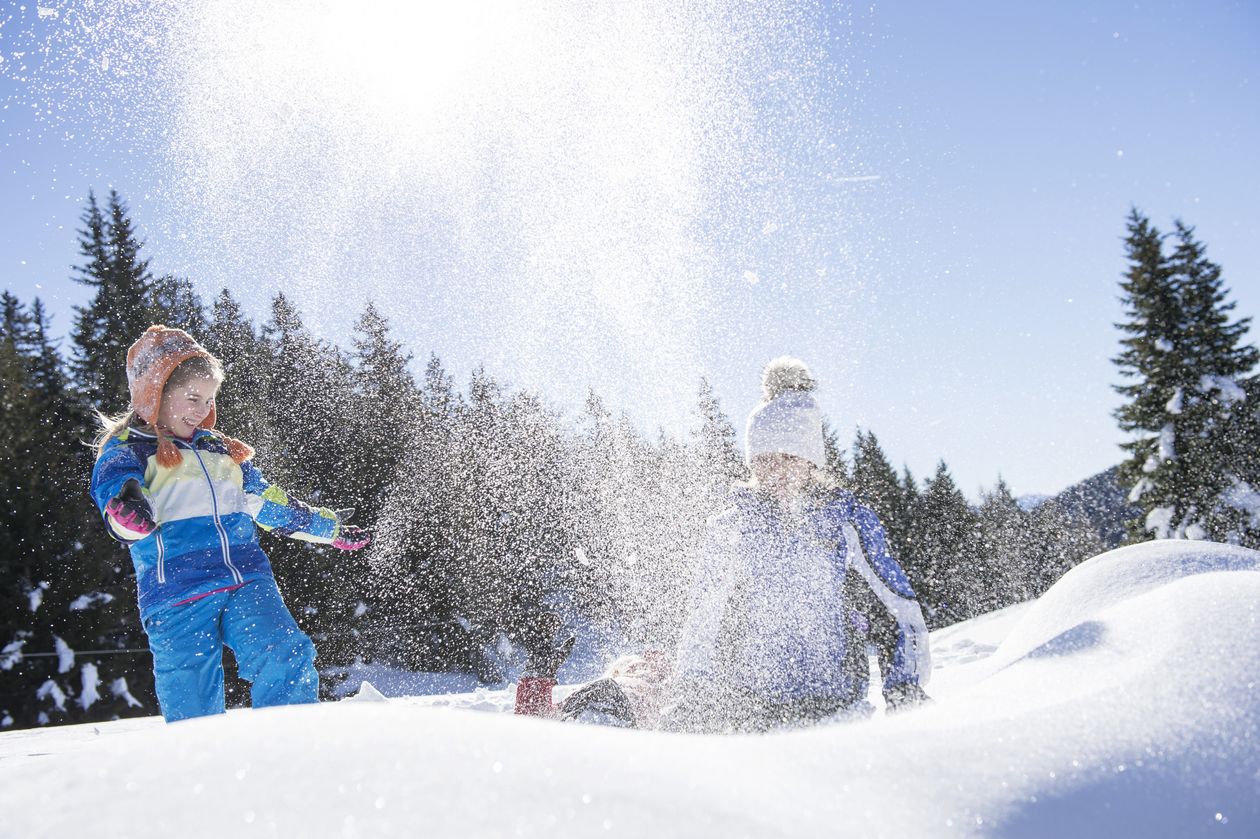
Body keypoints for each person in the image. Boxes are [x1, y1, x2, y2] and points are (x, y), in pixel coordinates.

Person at [89, 325, 371, 722]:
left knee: (285, 651)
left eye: (209, 400)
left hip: (245, 579)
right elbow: (117, 498)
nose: (202, 410)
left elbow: (270, 505)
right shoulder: (130, 453)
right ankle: (203, 774)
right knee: (191, 700)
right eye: (192, 397)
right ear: (155, 394)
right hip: (178, 594)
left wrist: (329, 528)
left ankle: (295, 749)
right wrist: (128, 505)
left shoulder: (223, 452)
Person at [662, 356, 932, 733]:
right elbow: (704, 617)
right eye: (764, 460)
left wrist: (905, 687)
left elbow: (897, 608)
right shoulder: (732, 527)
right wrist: (692, 694)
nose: (778, 471)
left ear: (811, 460)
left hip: (838, 703)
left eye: (790, 457)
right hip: (751, 706)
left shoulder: (846, 522)